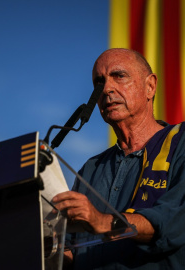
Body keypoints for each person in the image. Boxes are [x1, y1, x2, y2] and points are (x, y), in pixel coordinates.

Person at [52, 48, 185, 269]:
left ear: (150, 86)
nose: (106, 89)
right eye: (98, 82)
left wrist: (103, 221)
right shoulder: (91, 168)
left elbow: (175, 221)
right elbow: (71, 251)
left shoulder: (180, 143)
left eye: (119, 76)